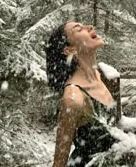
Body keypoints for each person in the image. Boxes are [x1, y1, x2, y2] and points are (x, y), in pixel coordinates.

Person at [45, 21, 119, 167]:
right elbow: (59, 161)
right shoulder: (73, 98)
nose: (89, 27)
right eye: (78, 29)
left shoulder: (97, 75)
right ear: (69, 50)